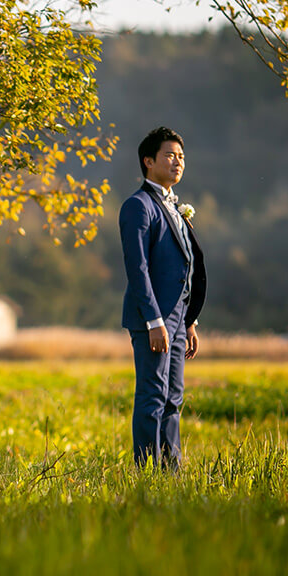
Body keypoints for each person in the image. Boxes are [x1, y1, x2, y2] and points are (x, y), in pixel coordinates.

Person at [119, 127, 206, 470]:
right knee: (152, 396)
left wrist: (190, 321)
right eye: (169, 155)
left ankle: (171, 471)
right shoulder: (137, 206)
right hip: (152, 318)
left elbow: (185, 266)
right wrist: (154, 321)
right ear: (148, 161)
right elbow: (137, 269)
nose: (177, 162)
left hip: (179, 319)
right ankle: (146, 472)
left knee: (174, 397)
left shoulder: (174, 207)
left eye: (181, 156)